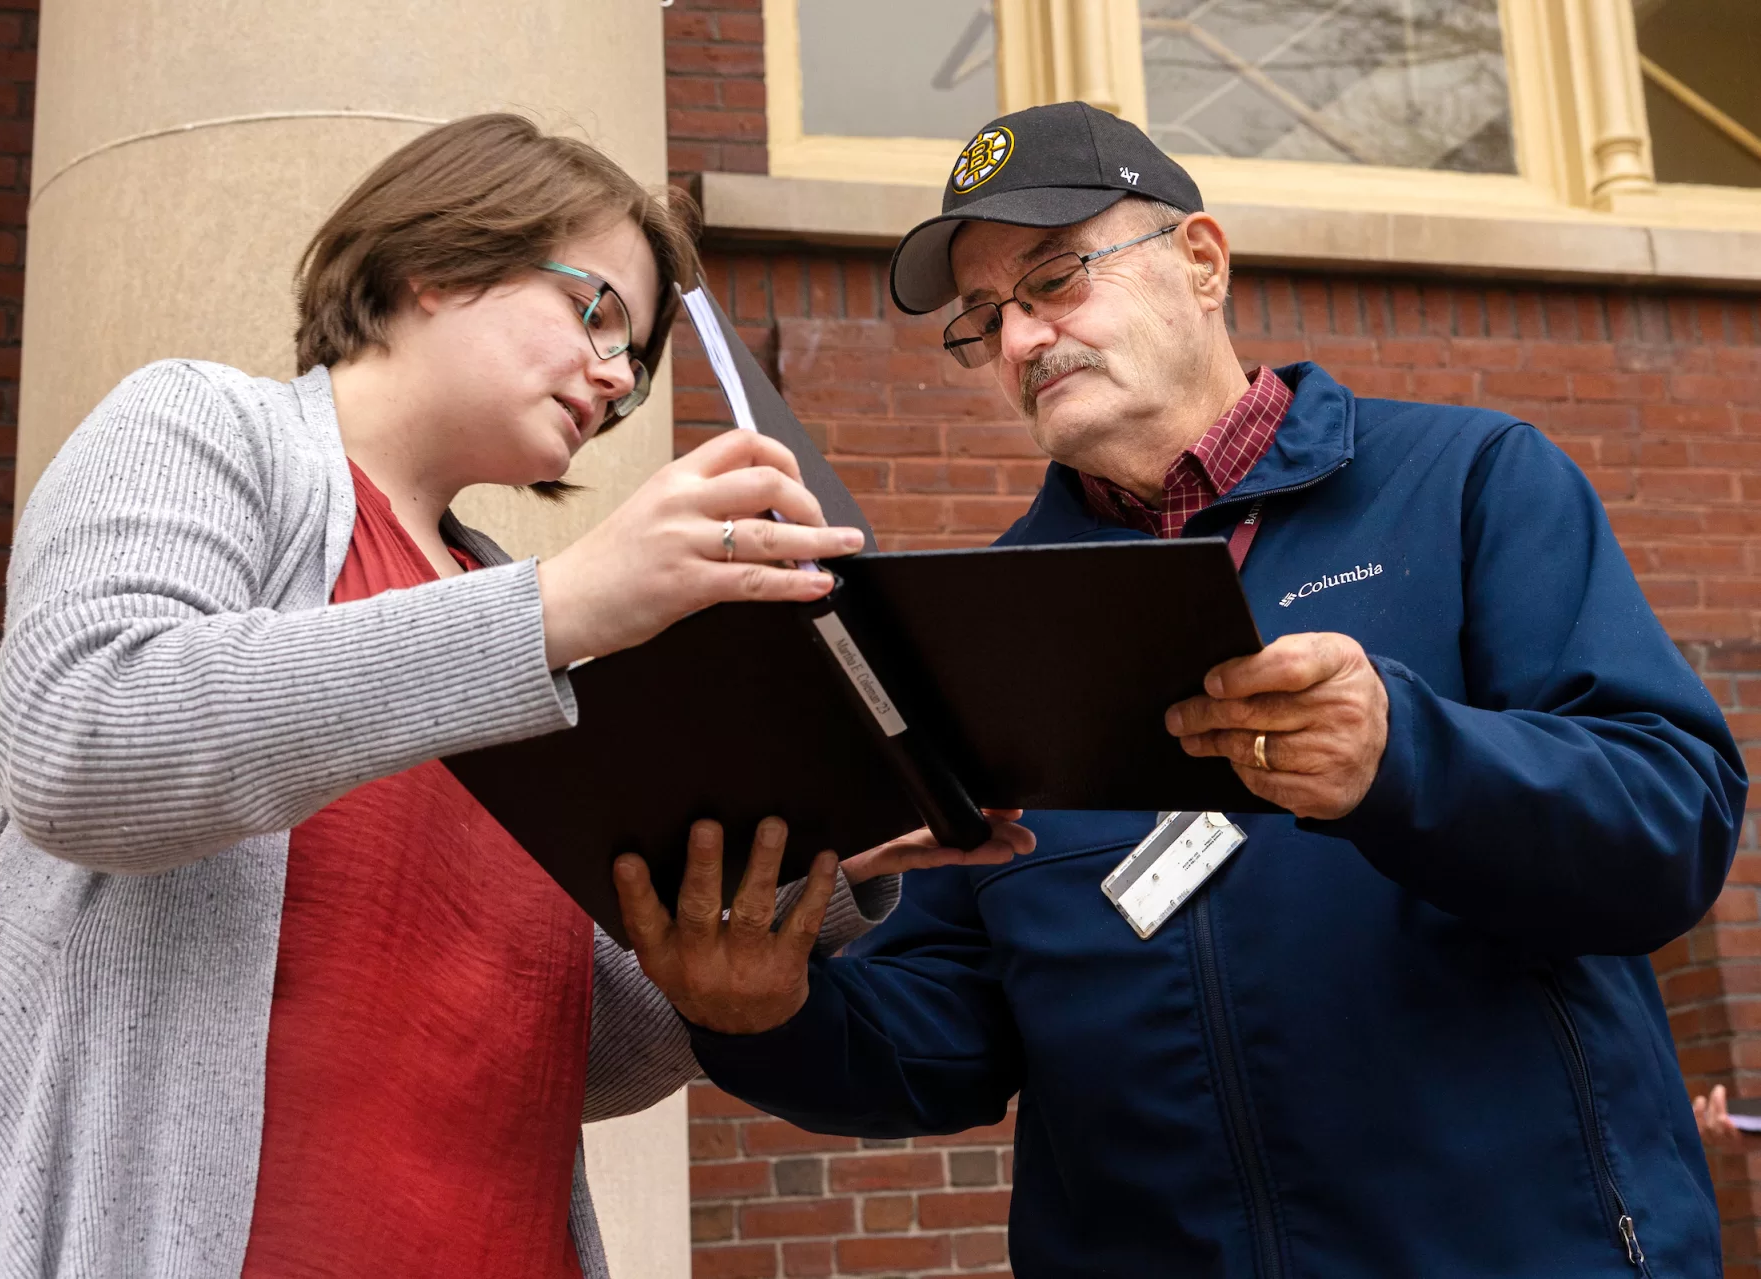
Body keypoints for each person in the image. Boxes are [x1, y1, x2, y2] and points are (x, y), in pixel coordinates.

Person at [0, 114, 1034, 1279]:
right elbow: (80, 747)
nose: (617, 378)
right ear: (431, 261)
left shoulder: (533, 619)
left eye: (635, 353)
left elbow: (577, 1048)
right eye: (595, 312)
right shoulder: (203, 426)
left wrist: (829, 861)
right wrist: (558, 608)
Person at [618, 101, 1748, 1277]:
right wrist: (771, 1016)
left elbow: (1670, 825)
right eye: (982, 317)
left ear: (1200, 263)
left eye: (1054, 279)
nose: (1018, 340)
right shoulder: (982, 621)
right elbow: (955, 1028)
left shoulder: (1467, 483)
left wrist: (1404, 757)